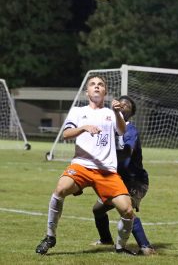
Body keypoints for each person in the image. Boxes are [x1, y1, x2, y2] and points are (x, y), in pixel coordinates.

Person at [35, 75, 138, 256]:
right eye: (93, 84)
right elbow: (66, 134)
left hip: (106, 171)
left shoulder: (111, 112)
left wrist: (116, 113)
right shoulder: (77, 111)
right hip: (82, 165)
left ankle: (120, 247)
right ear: (87, 92)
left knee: (127, 210)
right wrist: (84, 128)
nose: (96, 87)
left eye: (100, 85)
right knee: (60, 188)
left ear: (105, 91)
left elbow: (121, 130)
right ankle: (50, 236)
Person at [92, 95, 155, 255]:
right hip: (117, 180)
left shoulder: (130, 130)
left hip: (135, 181)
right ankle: (106, 239)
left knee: (126, 211)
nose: (123, 105)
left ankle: (145, 246)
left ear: (131, 112)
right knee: (98, 210)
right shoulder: (108, 128)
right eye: (121, 102)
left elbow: (127, 153)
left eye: (127, 105)